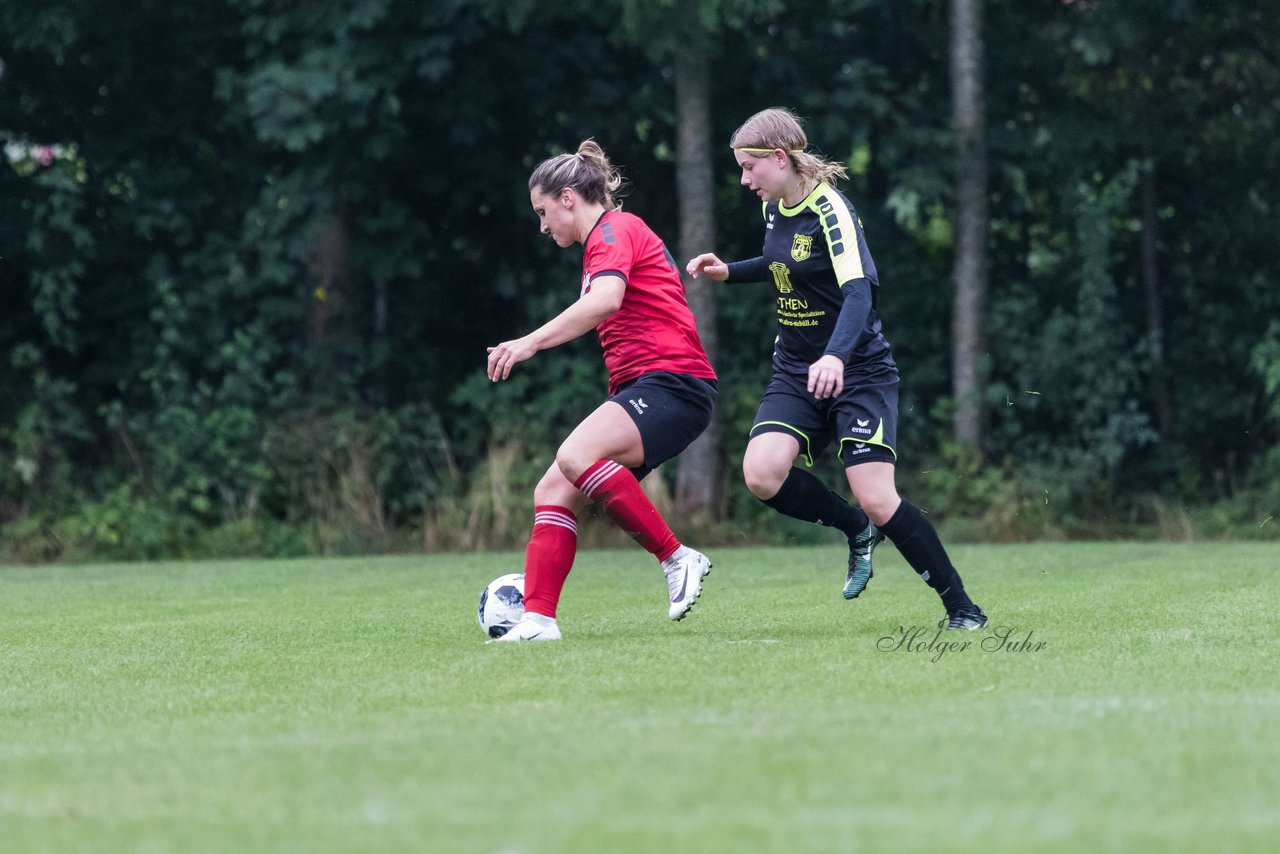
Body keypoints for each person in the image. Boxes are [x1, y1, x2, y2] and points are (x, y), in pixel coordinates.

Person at [686, 108, 986, 630]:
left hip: (859, 371)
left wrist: (835, 356)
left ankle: (963, 609)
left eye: (748, 167)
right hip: (796, 370)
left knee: (877, 496)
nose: (743, 180)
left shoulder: (832, 211)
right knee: (761, 473)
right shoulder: (775, 207)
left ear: (779, 158)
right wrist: (730, 271)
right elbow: (786, 264)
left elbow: (858, 292)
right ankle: (855, 528)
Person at [486, 139, 719, 642]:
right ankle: (539, 621)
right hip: (653, 386)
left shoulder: (615, 229)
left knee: (574, 454)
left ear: (568, 197)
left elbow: (606, 300)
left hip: (674, 383)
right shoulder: (602, 242)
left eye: (543, 212)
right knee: (551, 489)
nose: (543, 226)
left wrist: (528, 343)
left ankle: (678, 558)